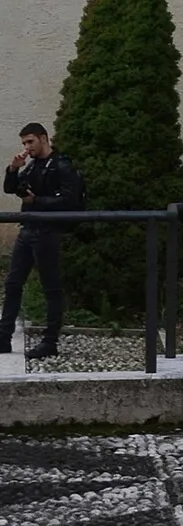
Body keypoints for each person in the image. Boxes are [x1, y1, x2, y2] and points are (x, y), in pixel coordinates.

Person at [2, 123, 83, 362]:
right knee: (13, 283)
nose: (27, 147)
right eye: (24, 143)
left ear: (43, 138)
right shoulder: (31, 166)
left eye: (31, 142)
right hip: (28, 230)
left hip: (49, 232)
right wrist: (13, 170)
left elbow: (71, 201)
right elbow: (10, 189)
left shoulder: (61, 165)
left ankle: (50, 341)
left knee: (51, 287)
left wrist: (36, 201)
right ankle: (3, 336)